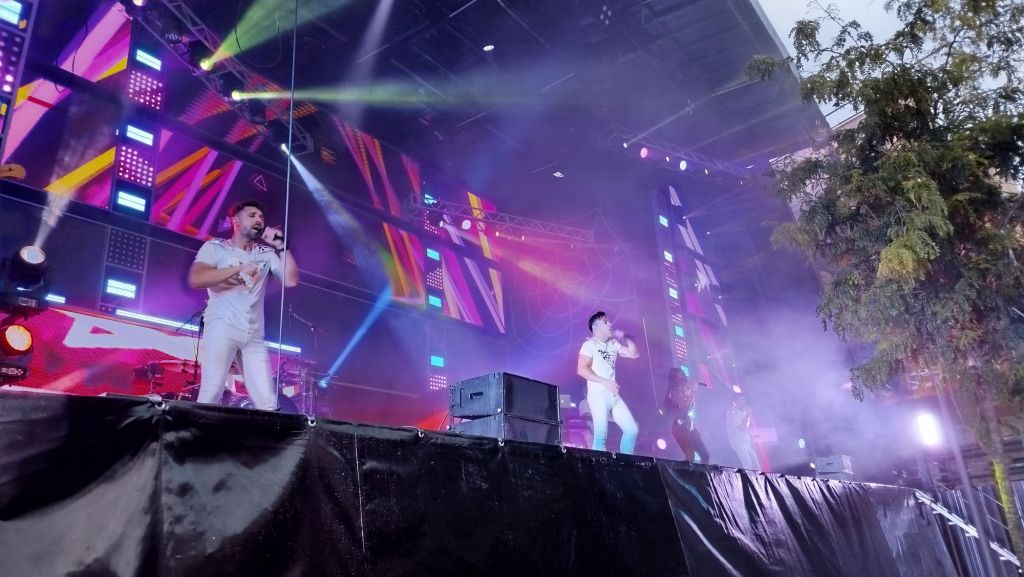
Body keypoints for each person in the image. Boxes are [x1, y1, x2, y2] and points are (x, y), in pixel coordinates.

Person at [188, 200, 299, 410]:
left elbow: (290, 280)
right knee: (211, 392)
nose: (259, 220)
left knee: (268, 402)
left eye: (261, 217)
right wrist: (238, 269)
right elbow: (197, 278)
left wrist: (282, 247)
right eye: (252, 215)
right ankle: (197, 431)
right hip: (222, 327)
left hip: (254, 336)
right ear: (235, 221)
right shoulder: (216, 247)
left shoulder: (265, 254)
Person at [576, 311, 640, 454]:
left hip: (613, 395)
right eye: (605, 322)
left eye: (609, 321)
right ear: (595, 328)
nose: (610, 323)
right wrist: (604, 381)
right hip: (598, 395)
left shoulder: (613, 344)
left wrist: (626, 337)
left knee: (632, 430)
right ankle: (600, 465)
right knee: (601, 436)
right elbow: (581, 369)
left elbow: (633, 354)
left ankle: (626, 462)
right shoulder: (589, 344)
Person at [665, 368, 709, 463]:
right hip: (679, 426)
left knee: (705, 455)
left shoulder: (685, 390)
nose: (685, 376)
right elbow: (683, 407)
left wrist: (693, 390)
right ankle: (681, 471)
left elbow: (690, 407)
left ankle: (702, 472)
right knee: (690, 456)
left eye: (684, 374)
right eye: (681, 374)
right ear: (675, 378)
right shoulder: (674, 392)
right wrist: (693, 391)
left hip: (689, 424)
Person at [725, 395, 760, 470]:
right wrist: (748, 414)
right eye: (741, 400)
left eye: (744, 400)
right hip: (737, 441)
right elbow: (742, 428)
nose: (744, 402)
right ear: (735, 402)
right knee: (748, 464)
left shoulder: (744, 412)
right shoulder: (732, 412)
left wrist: (751, 441)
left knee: (757, 466)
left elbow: (746, 429)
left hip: (746, 441)